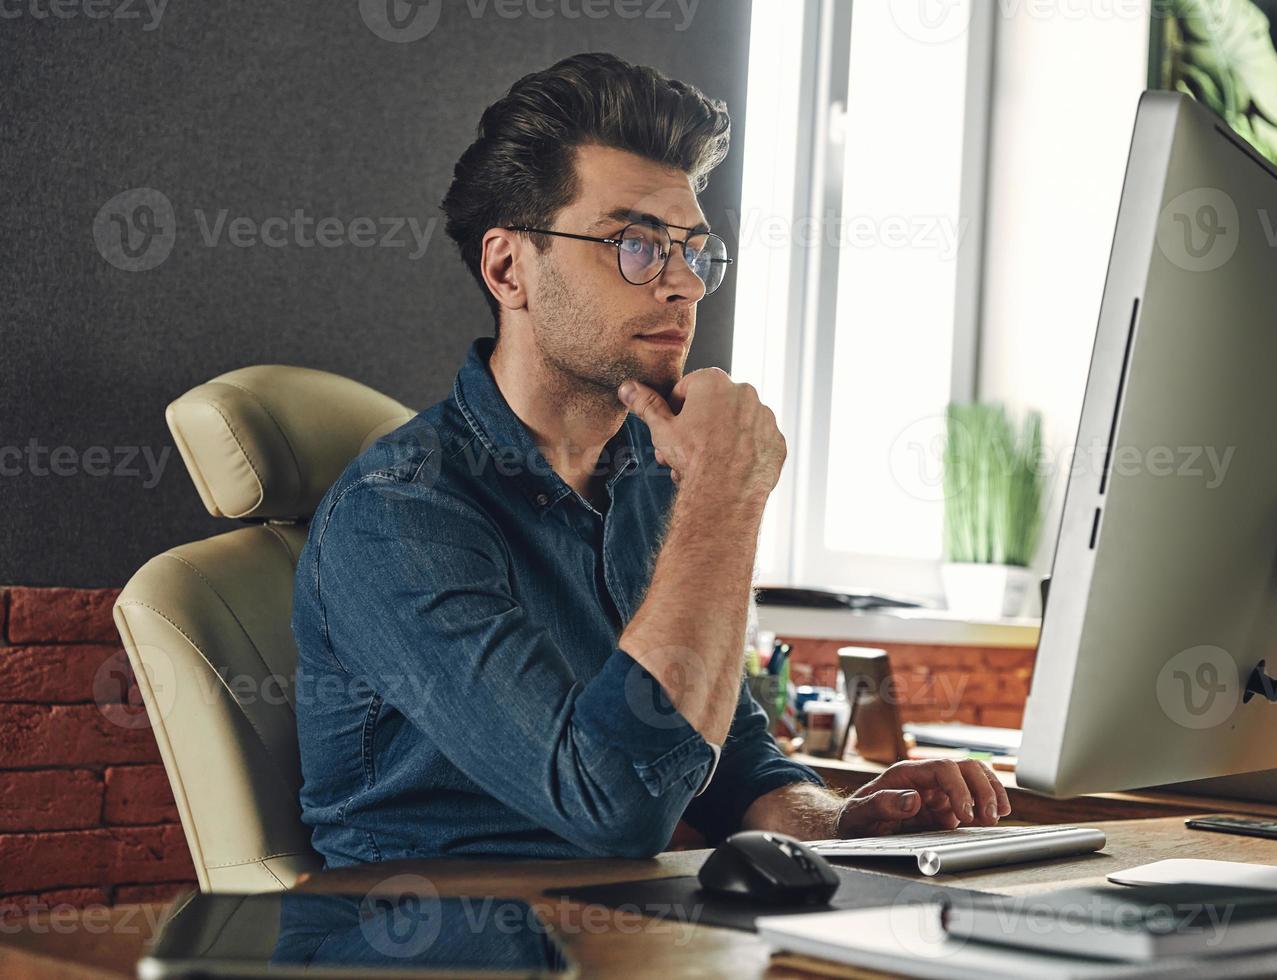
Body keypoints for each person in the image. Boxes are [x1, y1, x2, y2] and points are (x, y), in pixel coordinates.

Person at [291, 51, 1008, 867]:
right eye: (635, 243)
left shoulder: (654, 477)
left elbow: (734, 761)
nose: (684, 286)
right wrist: (726, 496)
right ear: (508, 268)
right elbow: (614, 804)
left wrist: (841, 822)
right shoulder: (399, 514)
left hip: (640, 929)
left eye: (693, 250)